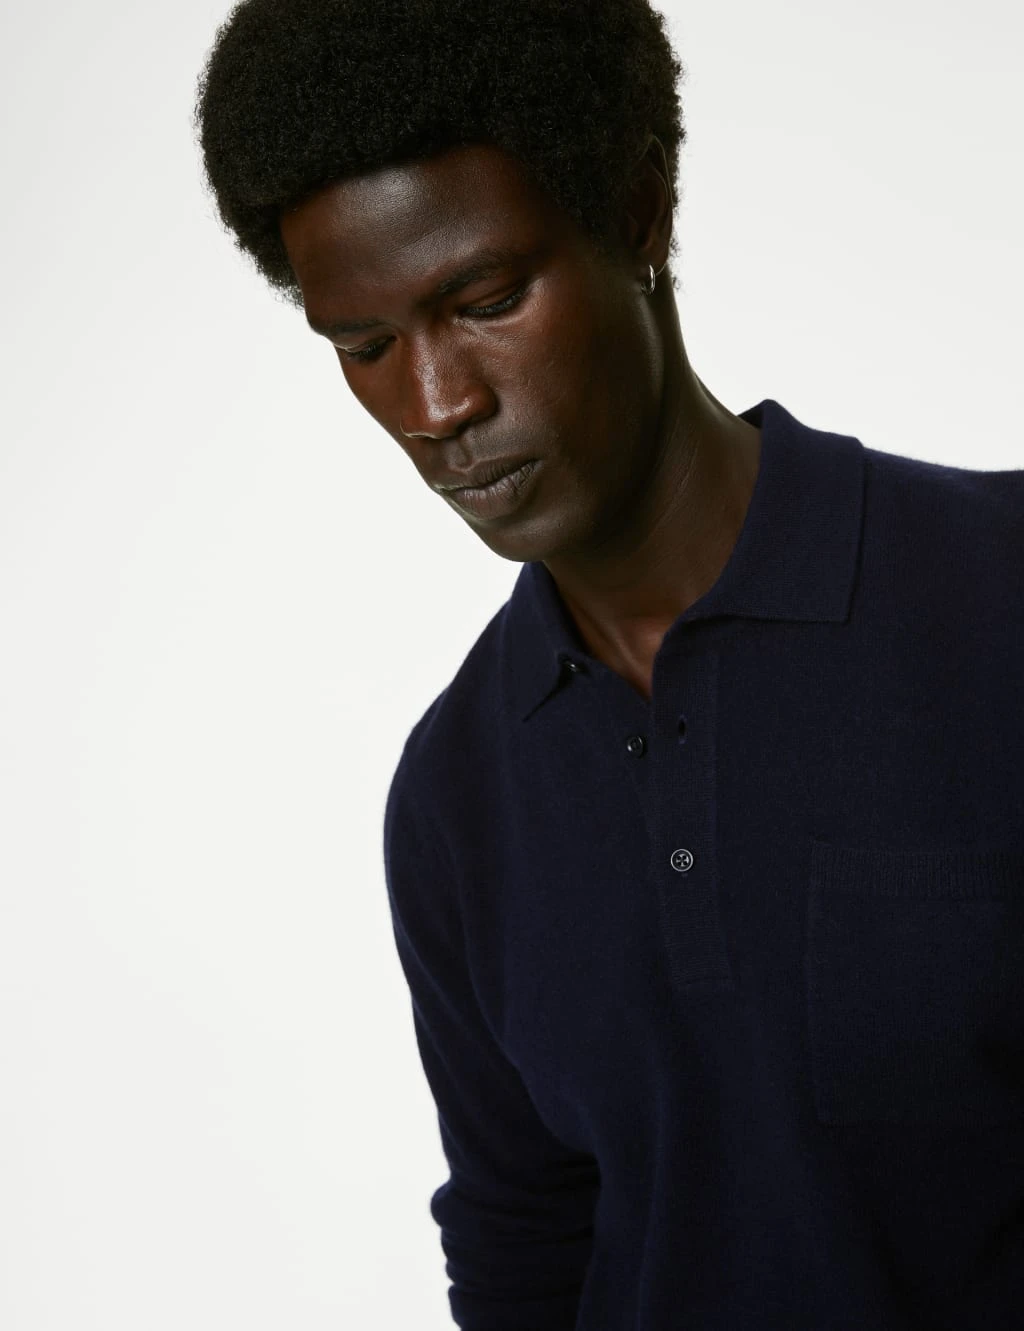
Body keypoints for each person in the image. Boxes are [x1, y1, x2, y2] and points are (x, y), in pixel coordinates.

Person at [193, 2, 1024, 1327]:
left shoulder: (999, 593)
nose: (437, 405)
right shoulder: (457, 795)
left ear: (639, 215)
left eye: (484, 303)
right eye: (365, 346)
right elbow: (525, 1247)